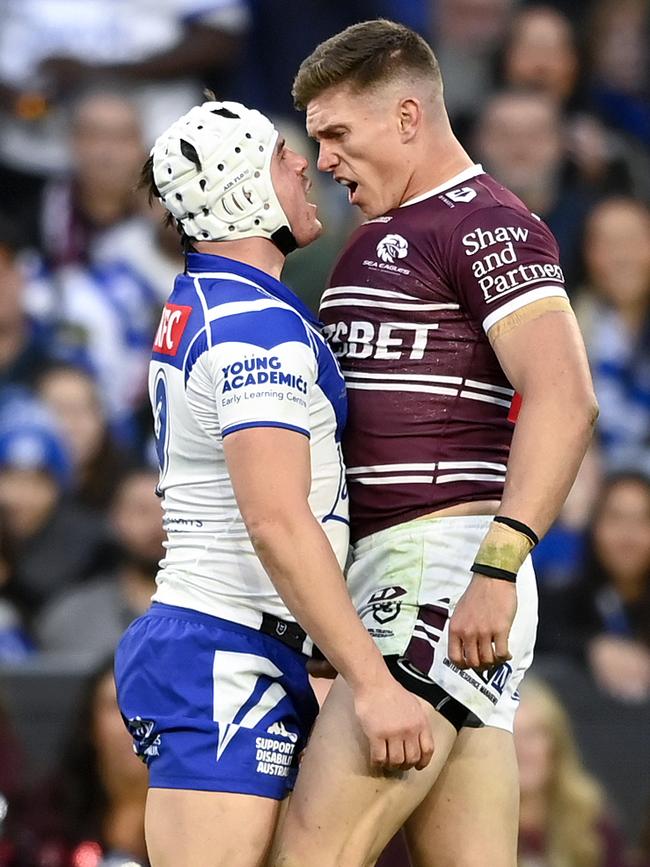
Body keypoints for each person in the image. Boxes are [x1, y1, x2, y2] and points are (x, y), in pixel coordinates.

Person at [273, 19, 599, 867]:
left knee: (311, 855)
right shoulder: (376, 236)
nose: (326, 161)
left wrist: (497, 565)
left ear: (409, 117)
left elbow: (565, 399)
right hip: (405, 576)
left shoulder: (488, 221)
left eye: (339, 134)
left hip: (437, 575)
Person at [114, 96, 433, 867]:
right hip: (223, 652)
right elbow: (277, 521)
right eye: (281, 156)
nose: (306, 164)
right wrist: (371, 682)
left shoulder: (218, 300)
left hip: (239, 648)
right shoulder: (253, 325)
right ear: (240, 189)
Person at [515, 677, 630, 867]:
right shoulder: (470, 824)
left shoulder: (593, 823)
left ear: (557, 744)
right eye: (511, 735)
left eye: (532, 734)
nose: (521, 749)